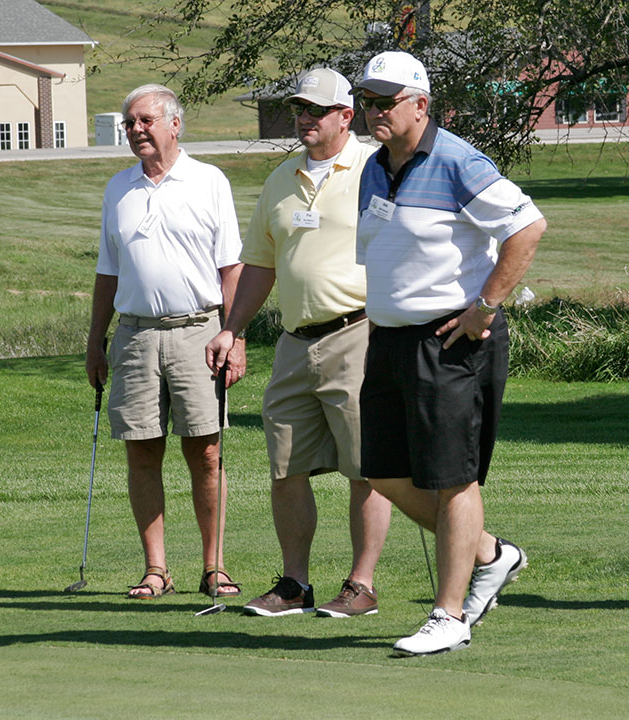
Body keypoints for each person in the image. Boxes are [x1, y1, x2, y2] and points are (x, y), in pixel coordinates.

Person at [352, 51, 546, 656]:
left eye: (386, 101)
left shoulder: (460, 161)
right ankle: (489, 553)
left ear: (420, 105)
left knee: (453, 479)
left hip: (451, 339)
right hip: (389, 339)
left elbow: (527, 227)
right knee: (383, 473)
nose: (373, 111)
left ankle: (449, 614)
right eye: (367, 101)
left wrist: (485, 306)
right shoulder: (373, 167)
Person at [205, 68, 393, 618]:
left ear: (346, 115)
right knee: (285, 467)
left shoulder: (376, 169)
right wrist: (232, 327)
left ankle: (361, 585)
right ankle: (295, 585)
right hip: (295, 342)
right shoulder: (281, 178)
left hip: (360, 333)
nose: (304, 118)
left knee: (365, 468)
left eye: (316, 109)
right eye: (298, 109)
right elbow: (260, 265)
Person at [85, 83, 245, 599]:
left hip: (200, 332)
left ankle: (214, 567)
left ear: (175, 125)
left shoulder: (209, 181)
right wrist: (95, 340)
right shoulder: (119, 188)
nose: (136, 130)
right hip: (134, 335)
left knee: (206, 451)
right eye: (130, 123)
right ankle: (156, 570)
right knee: (141, 452)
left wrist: (235, 334)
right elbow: (108, 271)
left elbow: (231, 267)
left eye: (145, 120)